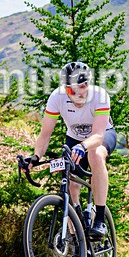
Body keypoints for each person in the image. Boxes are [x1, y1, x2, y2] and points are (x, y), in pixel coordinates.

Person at [29, 61, 116, 241]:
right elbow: (45, 135)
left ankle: (99, 219)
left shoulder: (99, 96)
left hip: (101, 135)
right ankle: (76, 238)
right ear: (65, 88)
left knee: (96, 154)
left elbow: (98, 136)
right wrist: (36, 156)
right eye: (71, 90)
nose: (77, 94)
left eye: (83, 87)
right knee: (70, 181)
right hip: (74, 138)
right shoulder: (56, 98)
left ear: (88, 84)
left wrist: (84, 146)